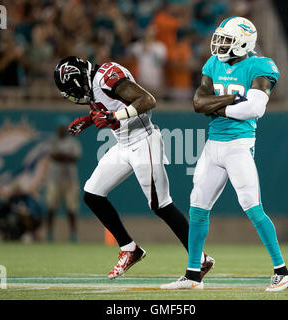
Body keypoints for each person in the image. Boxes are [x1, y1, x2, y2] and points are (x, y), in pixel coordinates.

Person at [161, 17, 288, 291]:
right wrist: (231, 101)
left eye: (226, 40)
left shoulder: (260, 66)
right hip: (213, 146)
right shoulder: (213, 64)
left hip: (239, 145)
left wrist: (218, 108)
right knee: (197, 206)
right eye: (220, 38)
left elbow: (254, 109)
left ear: (244, 43)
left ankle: (283, 272)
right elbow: (198, 103)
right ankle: (193, 274)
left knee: (252, 206)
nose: (220, 45)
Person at [53, 56, 214, 280]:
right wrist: (89, 120)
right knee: (92, 194)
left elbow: (147, 100)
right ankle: (129, 249)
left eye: (72, 88)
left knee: (161, 204)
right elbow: (109, 105)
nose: (74, 95)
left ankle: (201, 259)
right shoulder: (96, 81)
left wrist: (113, 117)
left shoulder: (105, 78)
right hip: (123, 145)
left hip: (143, 140)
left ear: (79, 79)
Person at [46, 122, 82, 243]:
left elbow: (74, 158)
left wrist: (61, 156)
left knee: (71, 208)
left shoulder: (72, 142)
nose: (61, 130)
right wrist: (65, 156)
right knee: (51, 207)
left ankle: (73, 234)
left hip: (70, 179)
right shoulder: (53, 142)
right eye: (59, 128)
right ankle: (50, 233)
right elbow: (53, 156)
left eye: (63, 128)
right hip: (54, 179)